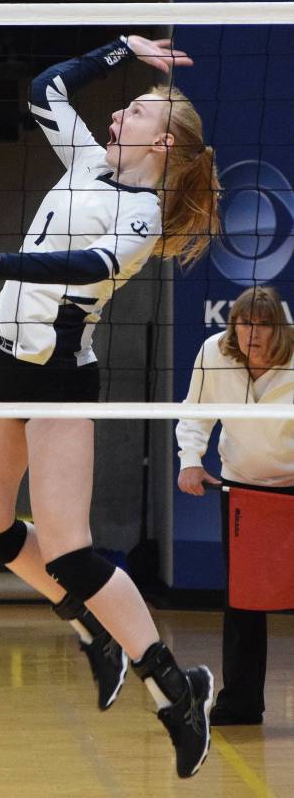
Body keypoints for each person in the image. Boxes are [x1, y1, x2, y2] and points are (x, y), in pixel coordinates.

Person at [0, 35, 221, 778]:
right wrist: (120, 51)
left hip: (59, 380)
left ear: (162, 140)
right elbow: (45, 88)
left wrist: (1, 262)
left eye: (134, 109)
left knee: (71, 548)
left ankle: (173, 688)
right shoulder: (87, 162)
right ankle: (89, 626)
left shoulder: (143, 215)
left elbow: (87, 264)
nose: (117, 115)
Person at [177, 284, 294, 726]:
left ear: (277, 328)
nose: (253, 334)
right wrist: (190, 461)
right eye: (245, 324)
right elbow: (194, 411)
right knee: (243, 599)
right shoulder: (215, 353)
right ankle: (241, 703)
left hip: (293, 487)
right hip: (244, 490)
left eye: (263, 325)